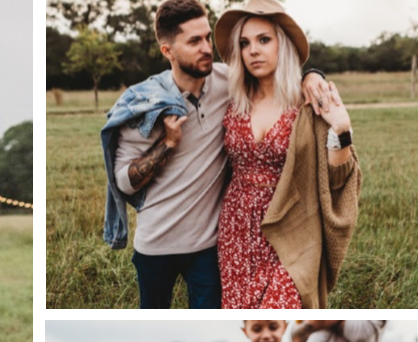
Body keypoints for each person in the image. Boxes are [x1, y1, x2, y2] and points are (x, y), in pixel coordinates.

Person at [102, 0, 330, 309]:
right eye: (194, 41)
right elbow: (124, 182)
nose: (207, 48)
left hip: (208, 245)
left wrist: (312, 75)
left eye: (207, 37)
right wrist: (166, 145)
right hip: (157, 243)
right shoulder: (143, 104)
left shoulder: (228, 83)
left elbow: (274, 75)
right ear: (168, 51)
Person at [214, 0, 362, 308]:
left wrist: (341, 129)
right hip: (236, 229)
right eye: (245, 43)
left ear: (285, 44)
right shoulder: (232, 98)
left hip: (290, 226)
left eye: (264, 40)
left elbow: (337, 179)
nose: (253, 50)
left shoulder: (307, 101)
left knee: (284, 300)